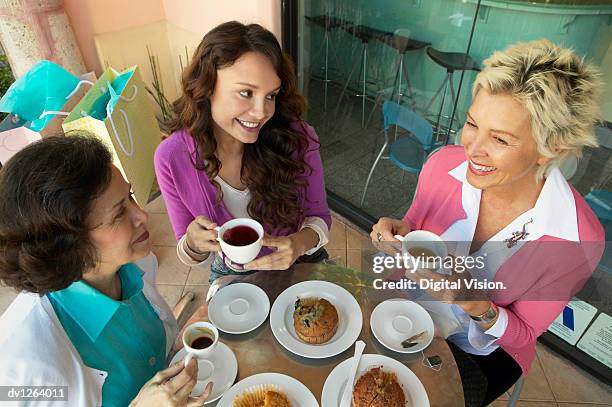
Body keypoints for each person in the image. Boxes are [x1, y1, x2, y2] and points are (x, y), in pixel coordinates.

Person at [371, 39, 604, 406]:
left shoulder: (574, 239)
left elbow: (524, 335)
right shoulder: (442, 165)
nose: (472, 148)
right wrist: (399, 231)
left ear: (551, 148)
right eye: (471, 123)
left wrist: (475, 303)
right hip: (408, 306)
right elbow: (415, 222)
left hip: (477, 351)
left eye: (499, 139)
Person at [0, 136, 212, 406]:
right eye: (118, 214)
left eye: (130, 197)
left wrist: (181, 346)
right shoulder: (20, 366)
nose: (142, 216)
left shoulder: (133, 268)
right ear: (68, 246)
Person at [154, 21, 331, 282]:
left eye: (270, 95)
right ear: (207, 86)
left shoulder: (297, 139)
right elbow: (189, 251)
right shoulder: (171, 157)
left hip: (300, 260)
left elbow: (320, 218)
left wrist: (299, 244)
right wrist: (193, 242)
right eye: (246, 92)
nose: (261, 113)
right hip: (233, 272)